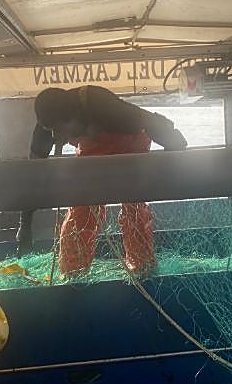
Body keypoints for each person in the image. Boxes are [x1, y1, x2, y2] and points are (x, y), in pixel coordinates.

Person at [16, 85, 188, 277]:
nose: (55, 136)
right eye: (51, 130)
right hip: (92, 150)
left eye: (59, 129)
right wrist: (25, 225)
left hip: (129, 143)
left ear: (74, 116)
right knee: (82, 209)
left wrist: (176, 144)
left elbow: (148, 120)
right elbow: (31, 177)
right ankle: (74, 273)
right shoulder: (46, 127)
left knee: (134, 209)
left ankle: (143, 267)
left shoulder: (100, 103)